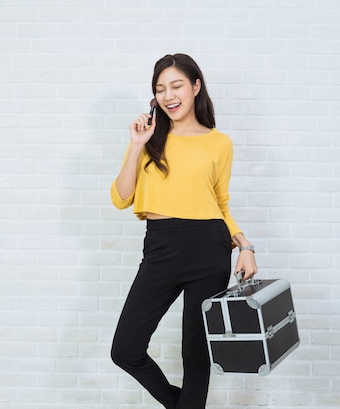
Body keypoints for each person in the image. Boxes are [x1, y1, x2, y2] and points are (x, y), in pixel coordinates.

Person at [110, 54, 258, 409]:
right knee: (126, 349)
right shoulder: (149, 138)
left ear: (195, 87)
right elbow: (121, 198)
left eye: (176, 85)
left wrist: (245, 245)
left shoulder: (219, 143)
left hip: (209, 248)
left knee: (195, 354)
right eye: (160, 89)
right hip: (161, 248)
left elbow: (220, 203)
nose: (168, 95)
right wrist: (135, 145)